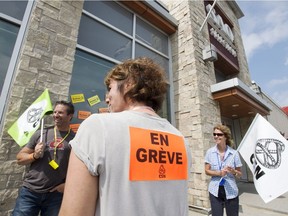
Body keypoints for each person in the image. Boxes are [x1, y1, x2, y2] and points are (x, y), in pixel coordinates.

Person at [59, 57, 192, 216]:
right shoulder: (180, 139)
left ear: (130, 84)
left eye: (110, 88)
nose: (106, 97)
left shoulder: (97, 126)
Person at [12, 100, 75, 216]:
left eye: (60, 113)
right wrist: (34, 155)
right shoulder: (41, 133)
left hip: (55, 195)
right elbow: (19, 159)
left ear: (70, 116)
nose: (56, 115)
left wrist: (66, 185)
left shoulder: (75, 139)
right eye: (55, 112)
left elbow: (77, 168)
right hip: (30, 192)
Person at [204, 124, 242, 216]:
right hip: (215, 190)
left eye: (219, 134)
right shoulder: (210, 152)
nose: (216, 136)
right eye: (214, 134)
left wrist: (233, 172)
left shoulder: (234, 153)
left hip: (231, 191)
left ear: (225, 137)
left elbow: (240, 174)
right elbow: (206, 171)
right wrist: (219, 173)